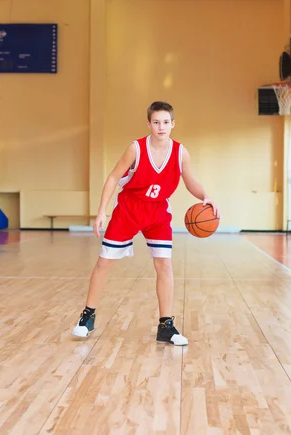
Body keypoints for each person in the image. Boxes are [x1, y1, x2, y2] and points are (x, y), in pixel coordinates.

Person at [72, 101, 220, 346]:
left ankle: (166, 326)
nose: (161, 127)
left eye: (165, 122)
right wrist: (102, 211)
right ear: (148, 124)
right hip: (129, 209)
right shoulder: (136, 148)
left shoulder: (180, 151)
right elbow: (113, 177)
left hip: (158, 211)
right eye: (156, 122)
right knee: (104, 263)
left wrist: (205, 196)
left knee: (164, 265)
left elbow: (189, 179)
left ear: (173, 124)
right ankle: (87, 317)